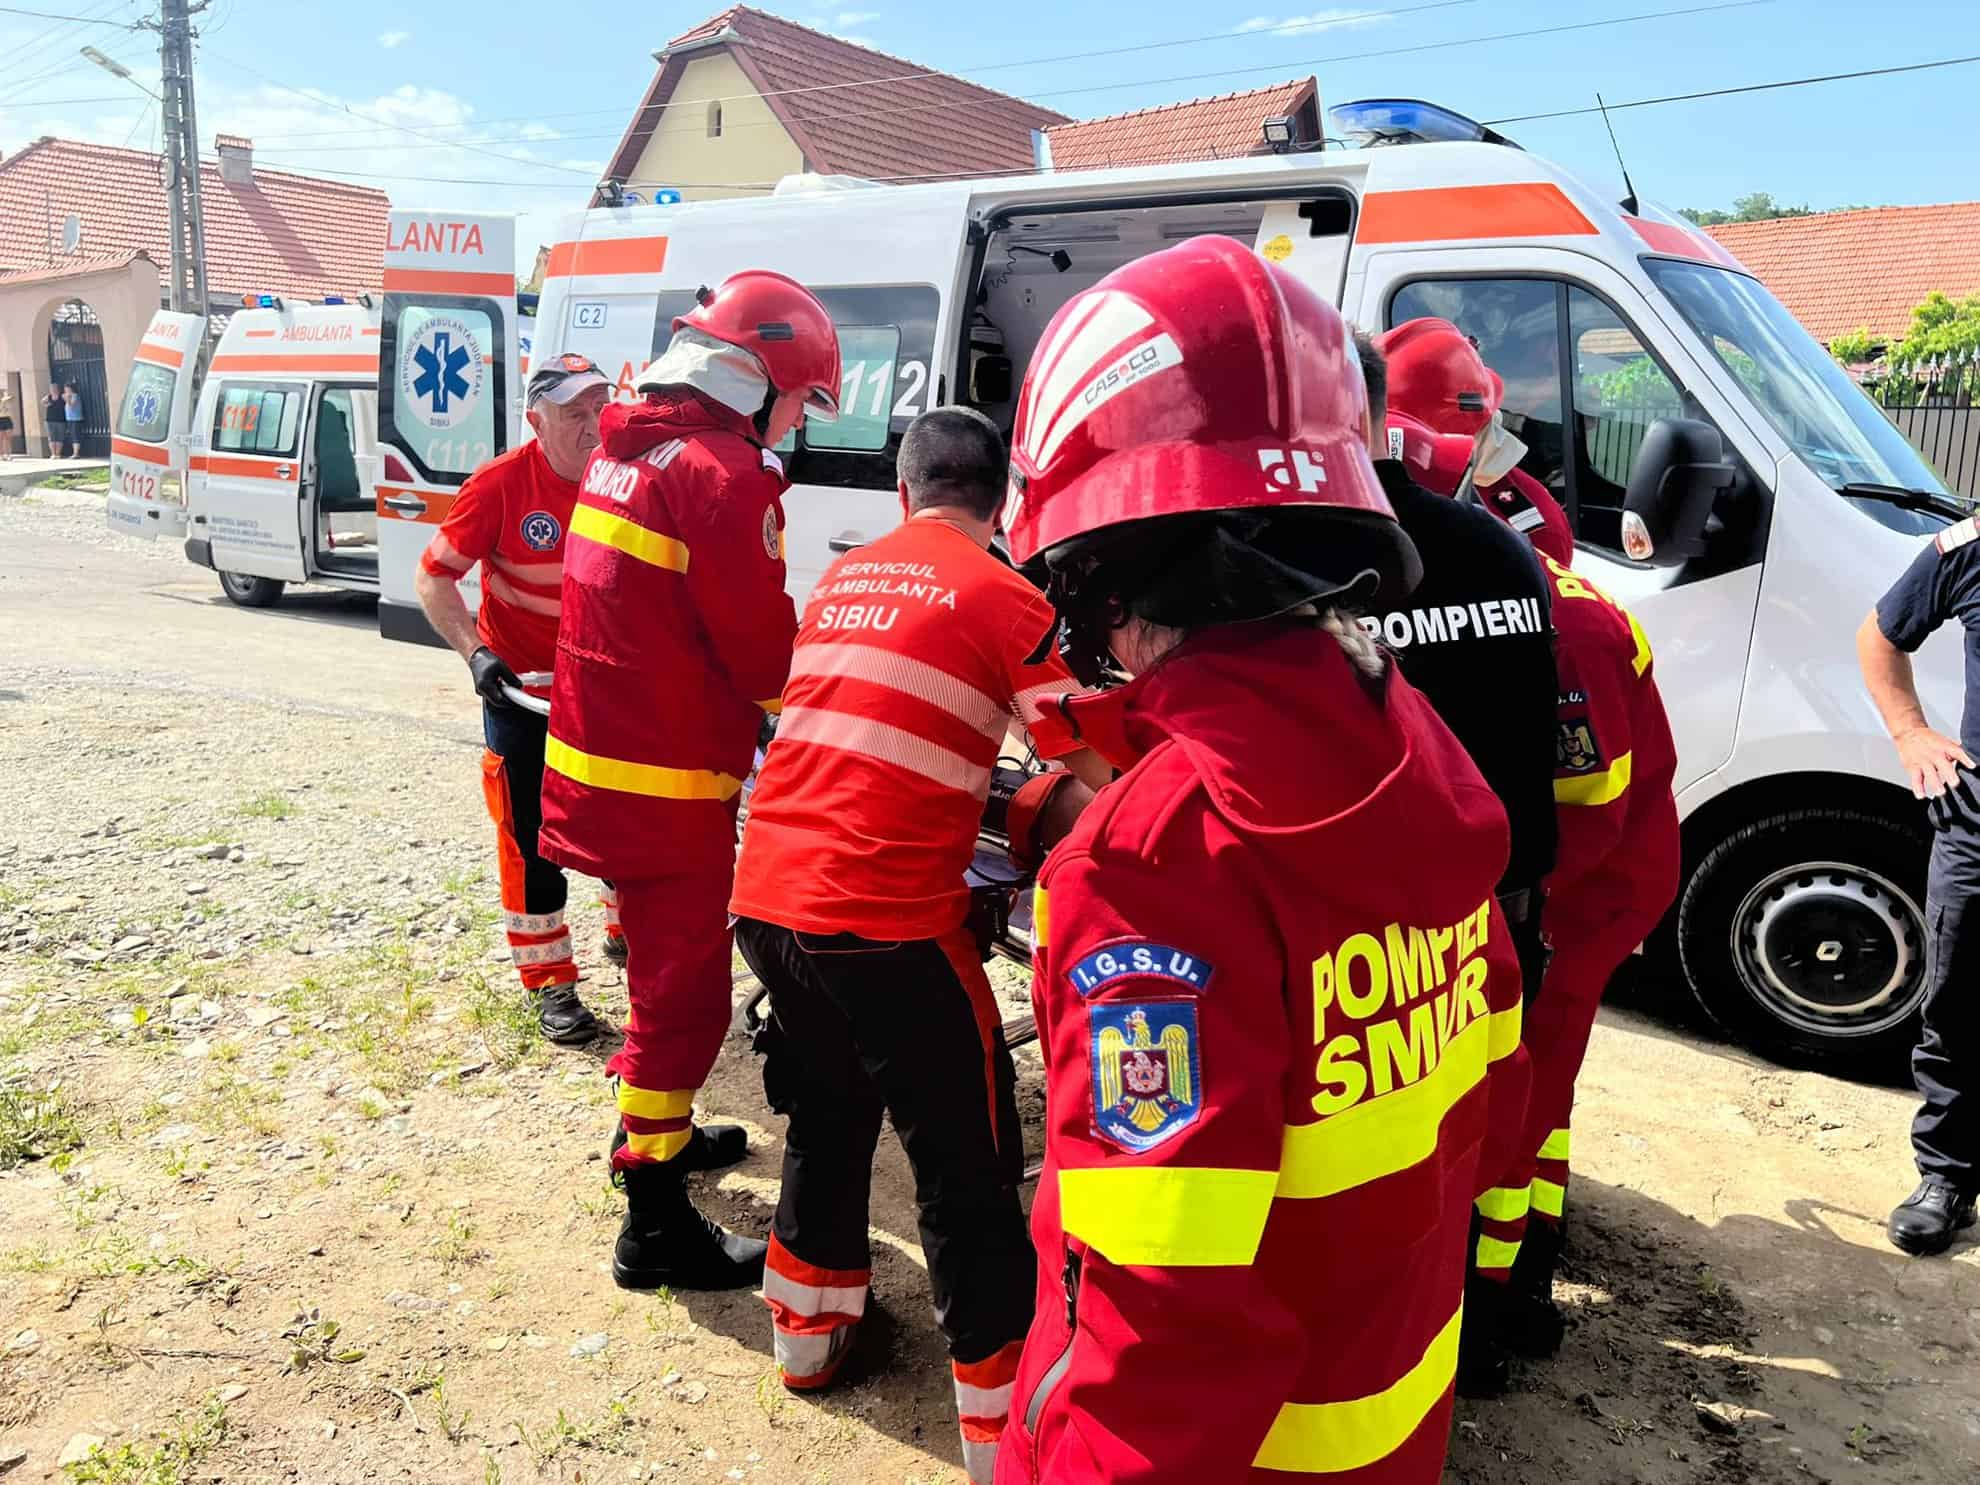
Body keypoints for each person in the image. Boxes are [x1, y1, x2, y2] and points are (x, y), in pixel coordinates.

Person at [994, 235, 1526, 1484]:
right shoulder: (1412, 746)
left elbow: (1155, 1311)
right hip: (1393, 1410)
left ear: (1103, 570)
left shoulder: (1156, 859)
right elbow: (1485, 1097)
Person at [729, 406, 1108, 1477]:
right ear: (1007, 505)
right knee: (968, 1163)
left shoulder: (843, 583)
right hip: (886, 920)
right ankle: (999, 1432)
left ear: (903, 494)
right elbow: (1091, 774)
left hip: (767, 899)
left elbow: (868, 733)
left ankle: (807, 1341)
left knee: (829, 1107)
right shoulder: (1007, 594)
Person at [537, 270, 842, 1292]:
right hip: (662, 779)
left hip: (606, 760)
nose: (797, 425)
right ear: (760, 380)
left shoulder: (632, 448)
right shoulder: (719, 471)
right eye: (800, 401)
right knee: (685, 1000)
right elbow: (759, 652)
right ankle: (654, 1220)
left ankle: (662, 1137)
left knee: (658, 979)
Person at [1382, 319, 1681, 1351]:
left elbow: (1590, 798)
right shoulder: (1510, 560)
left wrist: (1523, 913)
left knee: (1529, 1083)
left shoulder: (1571, 617)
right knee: (1523, 1094)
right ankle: (1518, 1243)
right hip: (1540, 877)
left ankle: (1509, 1292)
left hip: (1585, 885)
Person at [414, 354, 618, 1046]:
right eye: (574, 413)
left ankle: (629, 937)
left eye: (599, 406)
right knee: (532, 837)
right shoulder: (500, 485)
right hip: (524, 694)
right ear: (536, 421)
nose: (593, 425)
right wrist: (477, 653)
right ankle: (551, 981)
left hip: (604, 689)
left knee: (625, 818)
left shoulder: (620, 478)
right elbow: (434, 578)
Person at [1858, 522, 1980, 1255]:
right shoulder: (1968, 551)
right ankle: (1947, 1176)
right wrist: (1911, 734)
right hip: (1977, 825)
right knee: (1958, 1003)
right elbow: (1880, 633)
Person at [43, 384, 65, 458]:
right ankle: (53, 454)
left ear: (58, 389)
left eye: (54, 388)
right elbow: (42, 401)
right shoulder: (48, 397)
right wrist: (46, 404)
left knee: (59, 437)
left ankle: (58, 454)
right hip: (49, 420)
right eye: (51, 389)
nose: (53, 390)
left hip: (60, 420)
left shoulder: (62, 396)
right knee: (51, 437)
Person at [63, 382, 83, 458]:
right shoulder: (68, 395)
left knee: (75, 435)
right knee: (72, 435)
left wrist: (67, 399)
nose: (66, 390)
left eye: (67, 388)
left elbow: (71, 404)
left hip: (76, 418)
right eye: (65, 389)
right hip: (69, 419)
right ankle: (74, 452)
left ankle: (76, 453)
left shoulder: (75, 395)